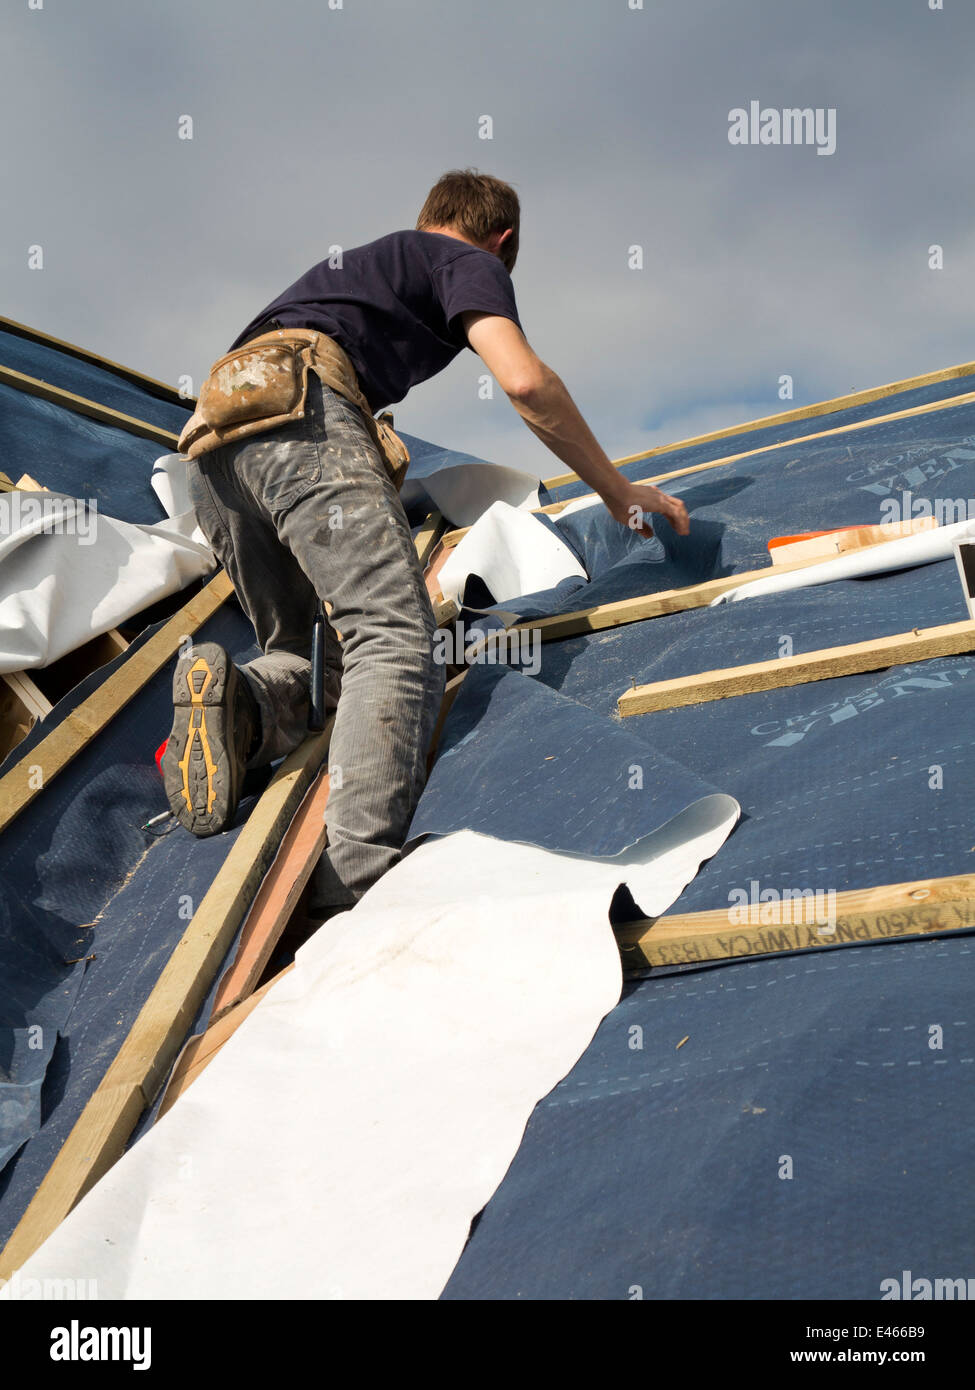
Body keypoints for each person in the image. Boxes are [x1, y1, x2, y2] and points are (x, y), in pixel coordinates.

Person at [164, 168, 689, 919]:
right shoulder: (466, 261)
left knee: (315, 661)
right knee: (395, 639)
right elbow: (523, 381)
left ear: (427, 213)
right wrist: (615, 490)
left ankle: (241, 699)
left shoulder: (363, 265)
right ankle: (354, 878)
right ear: (502, 241)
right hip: (302, 412)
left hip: (211, 449)